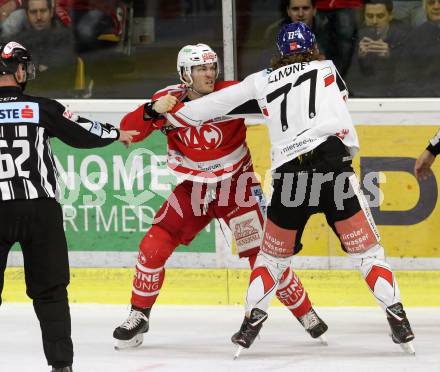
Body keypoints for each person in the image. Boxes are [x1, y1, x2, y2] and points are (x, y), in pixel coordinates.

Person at [159, 22, 415, 357]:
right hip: (332, 166)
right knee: (367, 253)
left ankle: (250, 326)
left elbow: (207, 108)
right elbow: (340, 97)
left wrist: (167, 114)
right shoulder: (327, 67)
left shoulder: (260, 80)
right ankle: (398, 320)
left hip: (291, 175)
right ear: (313, 47)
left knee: (271, 258)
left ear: (279, 52)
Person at [112, 43, 328, 350]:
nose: (209, 73)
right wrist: (150, 111)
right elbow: (127, 132)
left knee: (265, 256)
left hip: (237, 188)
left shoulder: (233, 93)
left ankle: (306, 313)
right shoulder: (167, 100)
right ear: (185, 73)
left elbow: (285, 97)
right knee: (152, 246)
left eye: (212, 67)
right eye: (201, 68)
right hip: (192, 190)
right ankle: (138, 315)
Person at [0, 41, 136, 372]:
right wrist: (116, 134)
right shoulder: (39, 107)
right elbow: (81, 131)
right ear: (20, 70)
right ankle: (62, 366)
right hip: (40, 210)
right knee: (50, 293)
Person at [5, 0, 77, 97]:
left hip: (61, 94)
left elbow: (64, 63)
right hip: (28, 97)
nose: (39, 17)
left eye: (43, 11)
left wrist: (31, 69)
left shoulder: (64, 36)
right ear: (27, 15)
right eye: (33, 12)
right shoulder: (17, 41)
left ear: (51, 12)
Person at [346, 0, 409, 97]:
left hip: (393, 96)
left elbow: (409, 76)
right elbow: (349, 81)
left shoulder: (403, 36)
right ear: (364, 16)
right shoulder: (356, 38)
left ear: (390, 15)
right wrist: (359, 59)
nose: (374, 21)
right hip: (363, 95)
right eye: (370, 16)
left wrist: (390, 56)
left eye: (380, 16)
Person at [394, 0, 440, 96]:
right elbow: (402, 79)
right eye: (431, 2)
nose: (436, 7)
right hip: (424, 100)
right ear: (425, 8)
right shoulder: (414, 36)